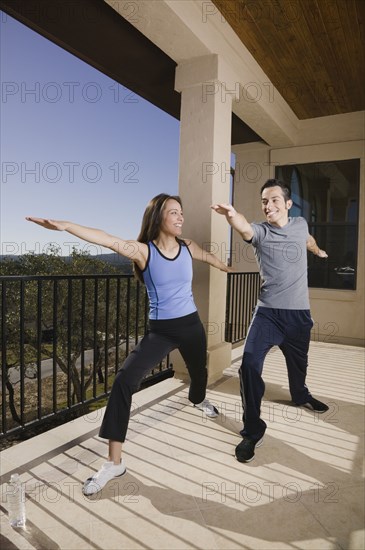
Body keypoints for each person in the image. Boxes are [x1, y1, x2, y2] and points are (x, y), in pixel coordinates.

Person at [27, 193, 232, 493]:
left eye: (181, 212)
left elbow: (207, 256)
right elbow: (106, 239)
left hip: (191, 325)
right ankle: (114, 462)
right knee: (124, 381)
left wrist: (224, 266)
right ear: (158, 218)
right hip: (160, 331)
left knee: (199, 373)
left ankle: (198, 399)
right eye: (173, 213)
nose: (180, 217)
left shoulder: (187, 246)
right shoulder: (143, 251)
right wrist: (66, 225)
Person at [212, 178, 329, 463]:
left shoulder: (300, 224)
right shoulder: (261, 232)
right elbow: (244, 227)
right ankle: (253, 430)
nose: (269, 205)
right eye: (264, 201)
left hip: (299, 315)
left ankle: (300, 395)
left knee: (298, 363)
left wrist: (317, 251)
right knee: (249, 365)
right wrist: (231, 215)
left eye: (275, 199)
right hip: (267, 314)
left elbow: (308, 240)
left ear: (288, 204)